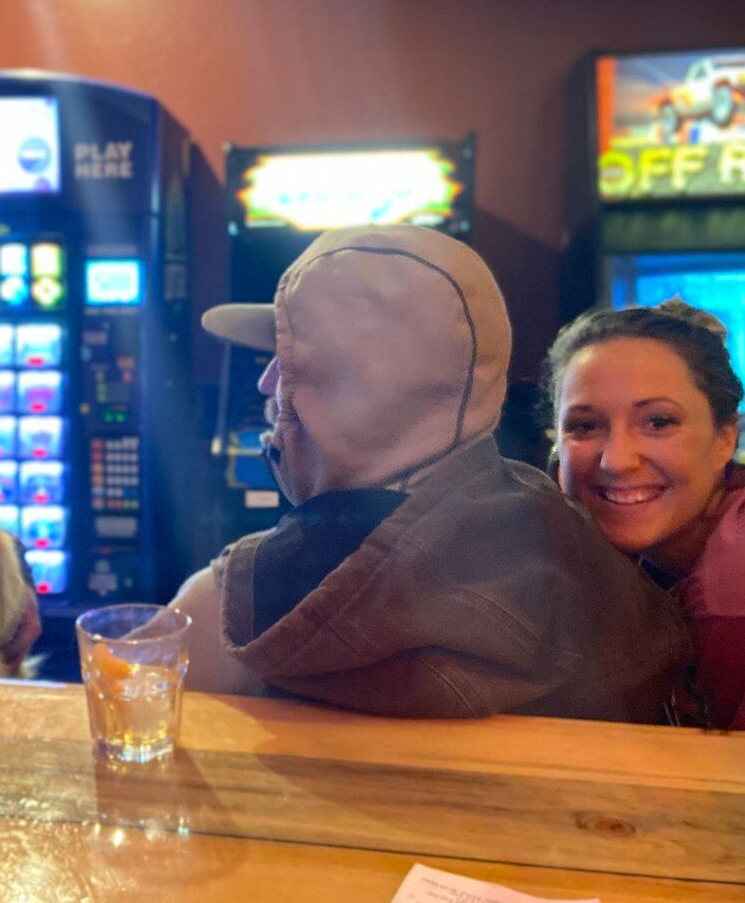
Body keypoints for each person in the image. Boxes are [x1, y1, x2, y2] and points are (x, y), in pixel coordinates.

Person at [172, 224, 691, 721]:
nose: (266, 384)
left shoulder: (229, 602)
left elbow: (124, 699)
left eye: (290, 359)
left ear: (359, 384)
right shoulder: (568, 532)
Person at [544, 299, 745, 731]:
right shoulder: (688, 531)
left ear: (725, 440)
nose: (617, 461)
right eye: (585, 426)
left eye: (659, 422)